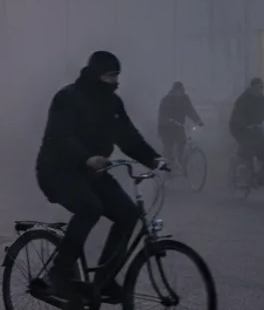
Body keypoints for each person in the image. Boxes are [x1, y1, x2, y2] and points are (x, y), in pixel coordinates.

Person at [34, 51, 166, 309]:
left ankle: (104, 280)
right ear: (96, 75)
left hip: (92, 173)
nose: (115, 81)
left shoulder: (113, 103)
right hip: (57, 171)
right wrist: (87, 157)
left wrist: (155, 160)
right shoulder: (67, 97)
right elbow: (60, 137)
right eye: (110, 75)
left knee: (128, 214)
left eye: (117, 75)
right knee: (90, 207)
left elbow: (128, 136)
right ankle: (58, 273)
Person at [228, 77, 264, 185]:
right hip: (239, 127)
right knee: (248, 148)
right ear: (251, 88)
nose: (258, 90)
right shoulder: (244, 99)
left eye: (261, 88)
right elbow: (237, 115)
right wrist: (246, 125)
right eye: (256, 88)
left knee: (263, 147)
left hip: (255, 128)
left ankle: (260, 177)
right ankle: (245, 176)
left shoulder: (262, 100)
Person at [158, 81, 204, 164]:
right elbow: (163, 115)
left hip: (179, 126)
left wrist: (198, 120)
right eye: (179, 92)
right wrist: (169, 121)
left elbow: (190, 110)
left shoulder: (184, 99)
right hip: (166, 128)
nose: (180, 94)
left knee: (182, 142)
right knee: (169, 148)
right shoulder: (167, 100)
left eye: (182, 91)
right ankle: (166, 167)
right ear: (174, 91)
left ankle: (180, 163)